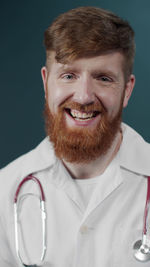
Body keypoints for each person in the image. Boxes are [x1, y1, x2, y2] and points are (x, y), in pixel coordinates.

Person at [0, 5, 150, 267]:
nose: (83, 96)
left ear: (127, 90)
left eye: (103, 78)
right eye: (69, 75)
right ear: (46, 83)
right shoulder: (5, 189)